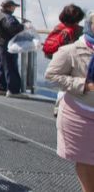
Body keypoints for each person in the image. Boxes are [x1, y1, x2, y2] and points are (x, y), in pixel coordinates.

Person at [44, 11, 94, 192]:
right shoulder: (71, 51)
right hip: (80, 113)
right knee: (88, 160)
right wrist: (83, 85)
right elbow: (51, 75)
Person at [0, 0, 26, 98]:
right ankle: (13, 90)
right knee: (11, 66)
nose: (15, 8)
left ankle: (1, 88)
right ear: (9, 7)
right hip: (8, 44)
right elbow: (12, 28)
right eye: (14, 6)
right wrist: (23, 26)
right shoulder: (7, 17)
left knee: (2, 66)